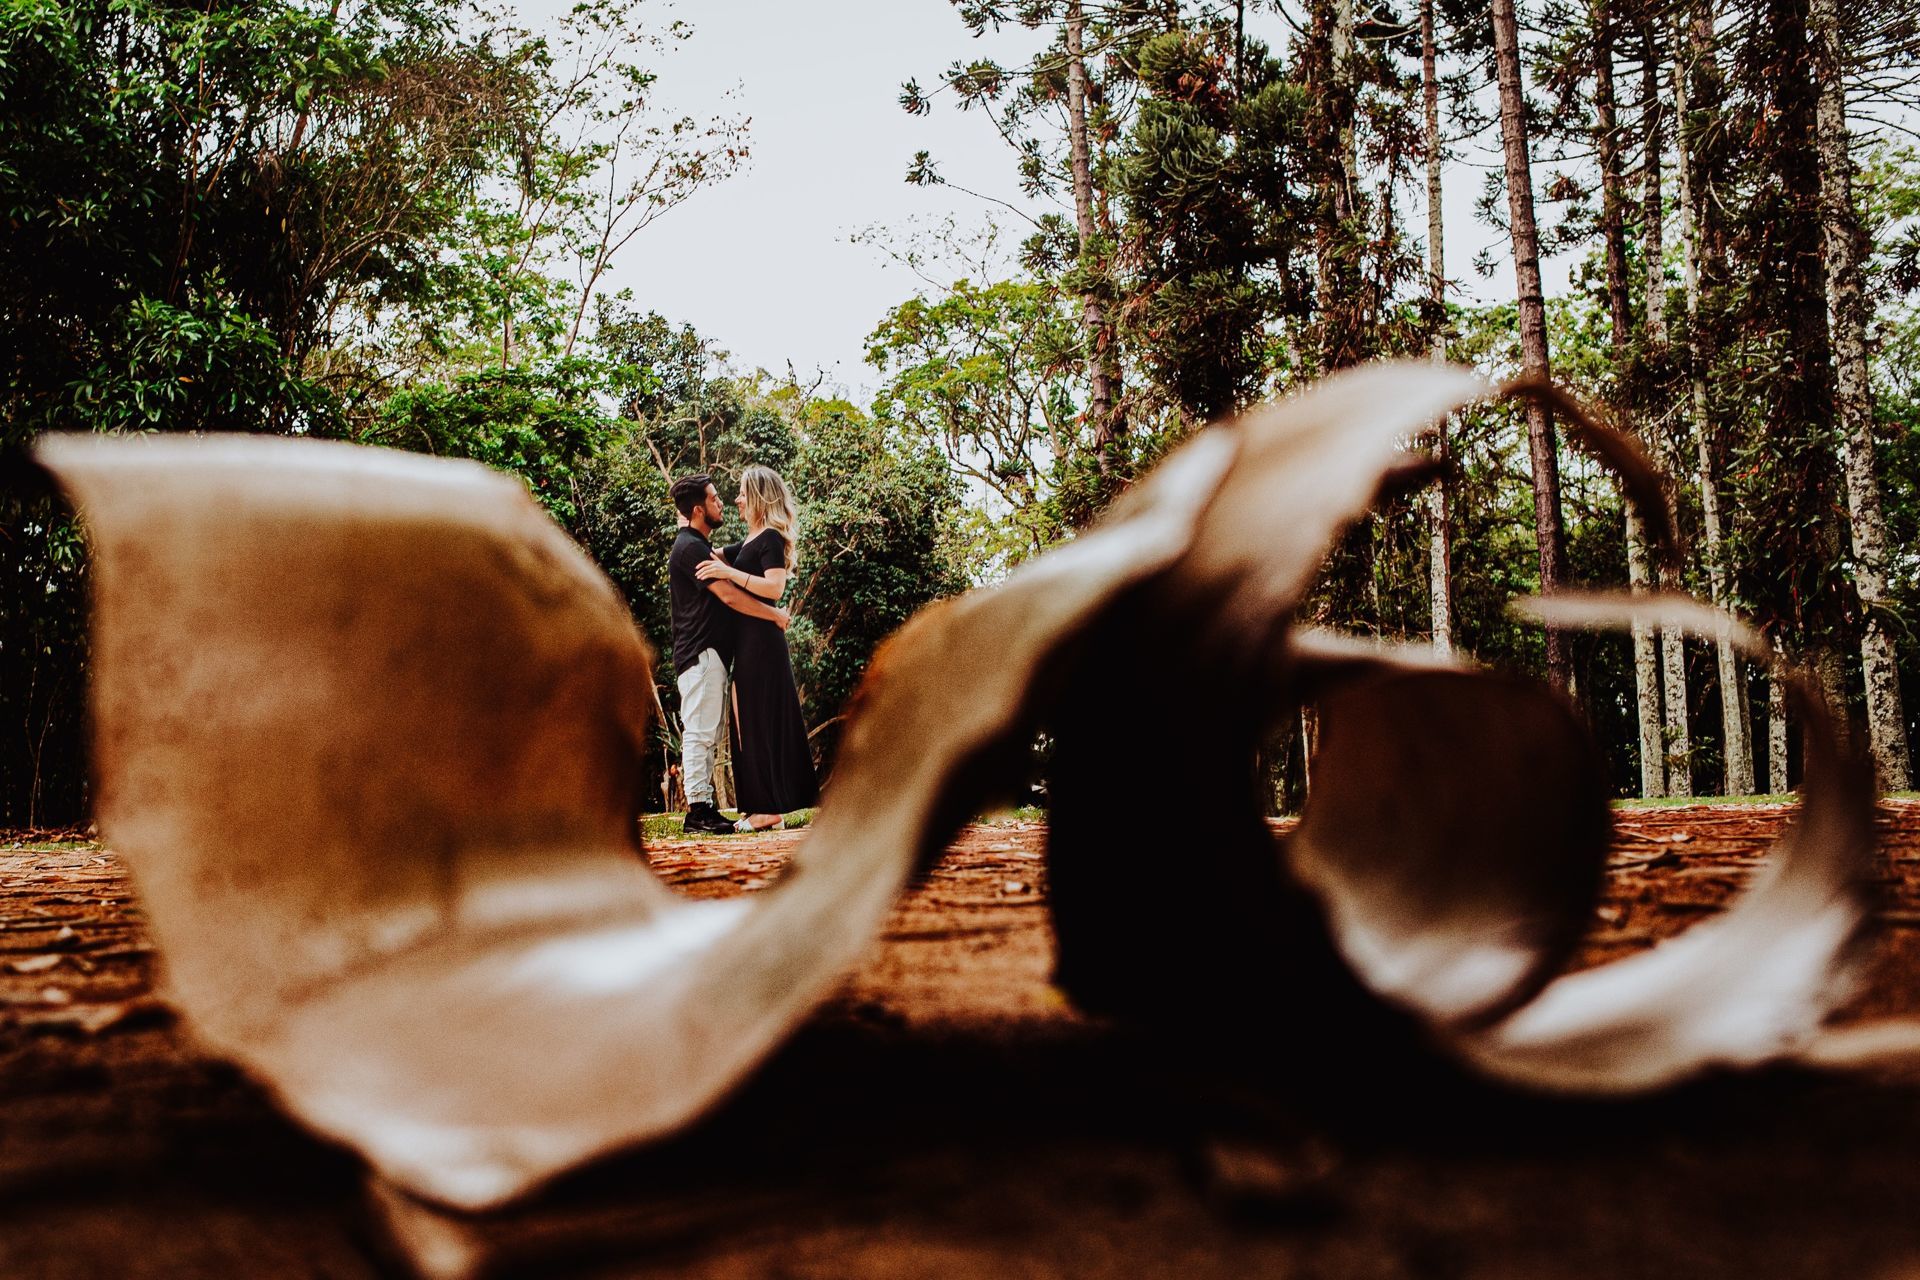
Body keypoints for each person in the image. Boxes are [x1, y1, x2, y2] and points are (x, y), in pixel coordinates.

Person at [696, 465, 819, 831]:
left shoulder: (770, 539)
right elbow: (710, 553)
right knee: (743, 720)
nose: (736, 499)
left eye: (743, 494)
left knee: (758, 720)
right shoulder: (749, 541)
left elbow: (775, 588)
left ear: (760, 498)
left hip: (764, 643)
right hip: (745, 640)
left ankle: (770, 809)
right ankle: (758, 805)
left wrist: (730, 574)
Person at [668, 473, 789, 835]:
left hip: (711, 655)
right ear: (698, 509)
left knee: (707, 730)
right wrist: (775, 615)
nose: (722, 502)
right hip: (700, 653)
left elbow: (734, 560)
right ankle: (698, 811)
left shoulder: (696, 544)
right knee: (701, 732)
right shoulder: (690, 547)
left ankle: (704, 808)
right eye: (714, 498)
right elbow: (729, 595)